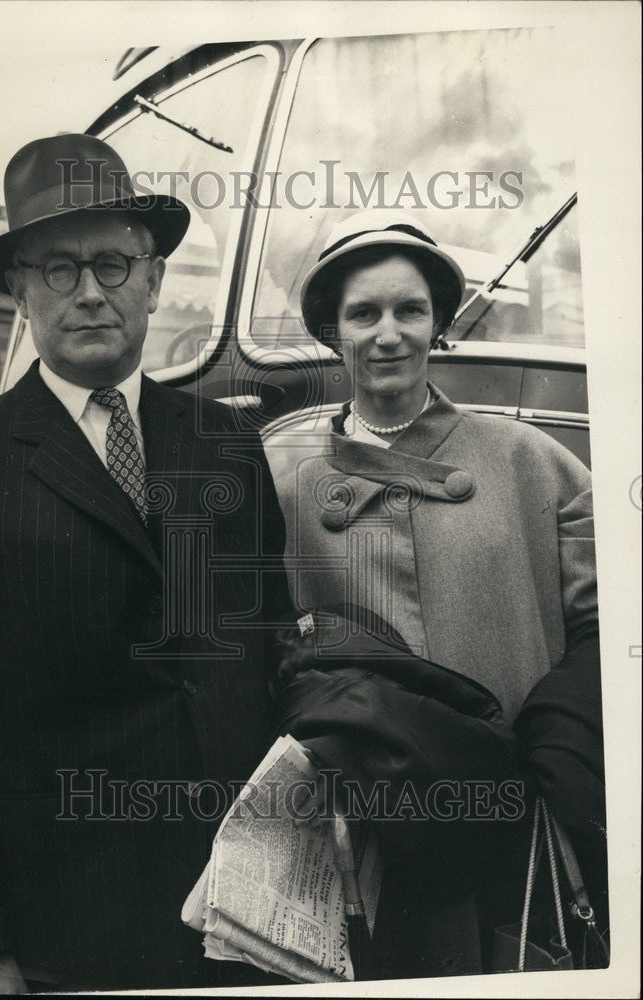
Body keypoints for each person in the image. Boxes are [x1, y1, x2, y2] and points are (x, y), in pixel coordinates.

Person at [0, 134, 293, 992]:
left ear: (154, 279)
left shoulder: (226, 440)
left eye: (113, 265)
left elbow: (266, 656)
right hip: (67, 920)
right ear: (18, 289)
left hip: (237, 907)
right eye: (57, 269)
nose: (89, 292)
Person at [273, 209, 606, 977]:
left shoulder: (533, 462)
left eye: (409, 310)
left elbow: (608, 634)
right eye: (363, 313)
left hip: (517, 831)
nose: (387, 333)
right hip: (371, 848)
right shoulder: (289, 495)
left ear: (437, 326)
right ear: (333, 332)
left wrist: (555, 758)